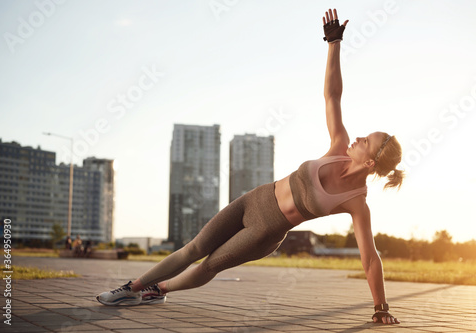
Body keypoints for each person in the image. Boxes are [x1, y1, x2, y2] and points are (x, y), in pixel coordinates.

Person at [96, 8, 402, 325]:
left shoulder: (356, 202)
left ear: (369, 162)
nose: (360, 137)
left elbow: (369, 258)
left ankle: (159, 289)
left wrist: (381, 307)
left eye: (367, 141)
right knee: (194, 248)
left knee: (208, 266)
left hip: (265, 231)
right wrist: (334, 43)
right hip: (253, 199)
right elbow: (332, 95)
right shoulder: (339, 145)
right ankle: (131, 289)